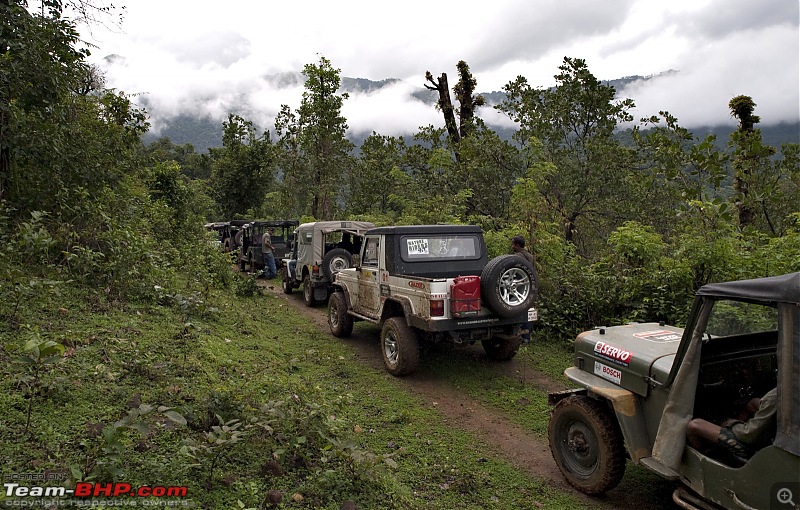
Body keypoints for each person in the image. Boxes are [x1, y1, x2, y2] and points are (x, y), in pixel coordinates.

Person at [686, 387, 778, 464]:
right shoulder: (788, 388)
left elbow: (747, 436)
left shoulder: (776, 395)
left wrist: (729, 422)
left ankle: (706, 459)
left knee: (694, 425)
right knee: (752, 404)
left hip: (754, 445)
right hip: (777, 433)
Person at [511, 235, 535, 344]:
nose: (512, 246)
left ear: (517, 245)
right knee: (529, 310)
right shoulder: (531, 256)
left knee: (518, 310)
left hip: (519, 287)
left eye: (513, 244)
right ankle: (527, 336)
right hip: (529, 286)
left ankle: (519, 335)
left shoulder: (517, 256)